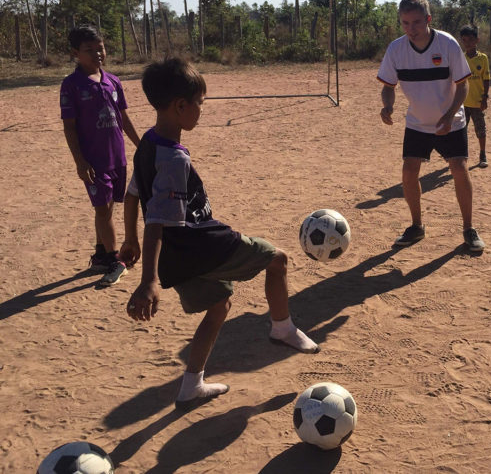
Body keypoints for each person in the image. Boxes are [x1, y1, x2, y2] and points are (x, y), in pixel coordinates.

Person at [120, 58, 318, 412]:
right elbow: (157, 220)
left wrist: (128, 238)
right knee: (278, 260)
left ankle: (191, 385)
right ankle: (282, 328)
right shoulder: (173, 158)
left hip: (177, 258)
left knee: (219, 305)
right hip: (202, 244)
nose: (201, 110)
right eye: (200, 103)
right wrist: (148, 279)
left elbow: (134, 193)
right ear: (181, 106)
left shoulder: (147, 144)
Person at [378, 0, 485, 252]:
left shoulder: (447, 44)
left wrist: (449, 115)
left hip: (451, 122)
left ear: (428, 19)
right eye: (405, 23)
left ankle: (469, 229)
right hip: (417, 123)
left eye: (415, 22)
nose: (410, 29)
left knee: (459, 169)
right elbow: (388, 86)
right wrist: (388, 105)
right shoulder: (396, 49)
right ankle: (416, 226)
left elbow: (463, 85)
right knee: (408, 172)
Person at [60, 24, 140, 286]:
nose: (97, 54)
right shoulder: (71, 85)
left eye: (100, 48)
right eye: (89, 50)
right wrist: (80, 162)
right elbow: (69, 127)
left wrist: (141, 144)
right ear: (76, 53)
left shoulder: (113, 80)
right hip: (94, 162)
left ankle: (99, 255)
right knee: (104, 210)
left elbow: (123, 117)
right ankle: (116, 261)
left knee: (107, 208)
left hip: (117, 157)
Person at [458, 25, 491, 167]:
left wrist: (484, 98)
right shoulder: (460, 58)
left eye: (470, 39)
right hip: (463, 103)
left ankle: (482, 154)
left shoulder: (483, 58)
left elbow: (486, 78)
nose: (467, 43)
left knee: (480, 129)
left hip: (477, 102)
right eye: (464, 40)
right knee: (460, 130)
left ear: (477, 40)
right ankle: (461, 154)